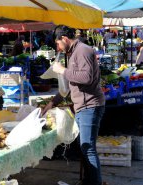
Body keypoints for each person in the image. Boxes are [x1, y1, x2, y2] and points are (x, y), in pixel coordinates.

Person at [42, 26, 106, 185]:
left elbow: (86, 78)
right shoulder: (74, 53)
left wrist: (62, 70)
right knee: (84, 147)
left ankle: (94, 183)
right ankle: (88, 180)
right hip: (83, 107)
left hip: (90, 106)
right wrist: (53, 102)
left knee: (88, 148)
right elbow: (70, 86)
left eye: (58, 43)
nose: (58, 48)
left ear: (64, 38)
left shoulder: (83, 50)